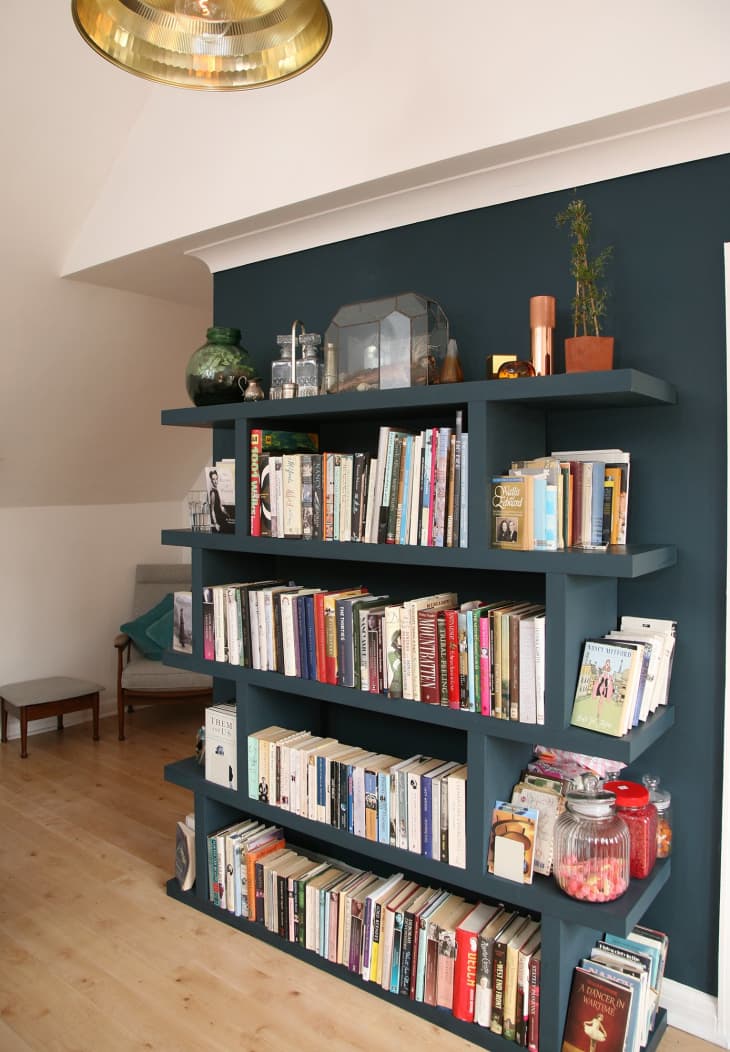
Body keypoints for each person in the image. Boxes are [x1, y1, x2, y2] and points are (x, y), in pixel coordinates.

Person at [208, 469, 234, 533]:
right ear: (211, 480)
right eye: (213, 479)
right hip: (218, 520)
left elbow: (220, 507)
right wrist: (215, 523)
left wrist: (228, 515)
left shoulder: (217, 490)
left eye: (216, 479)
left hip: (222, 517)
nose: (215, 481)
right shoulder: (213, 493)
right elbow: (212, 510)